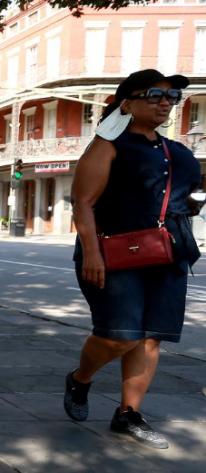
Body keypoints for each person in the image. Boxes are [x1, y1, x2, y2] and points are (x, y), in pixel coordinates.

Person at [65, 69, 200, 449]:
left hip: (169, 252)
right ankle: (80, 379)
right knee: (118, 337)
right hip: (114, 253)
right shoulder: (109, 145)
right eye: (154, 94)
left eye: (171, 97)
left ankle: (128, 413)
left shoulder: (178, 150)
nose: (164, 101)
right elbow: (83, 201)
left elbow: (183, 196)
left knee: (151, 338)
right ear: (126, 102)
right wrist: (91, 252)